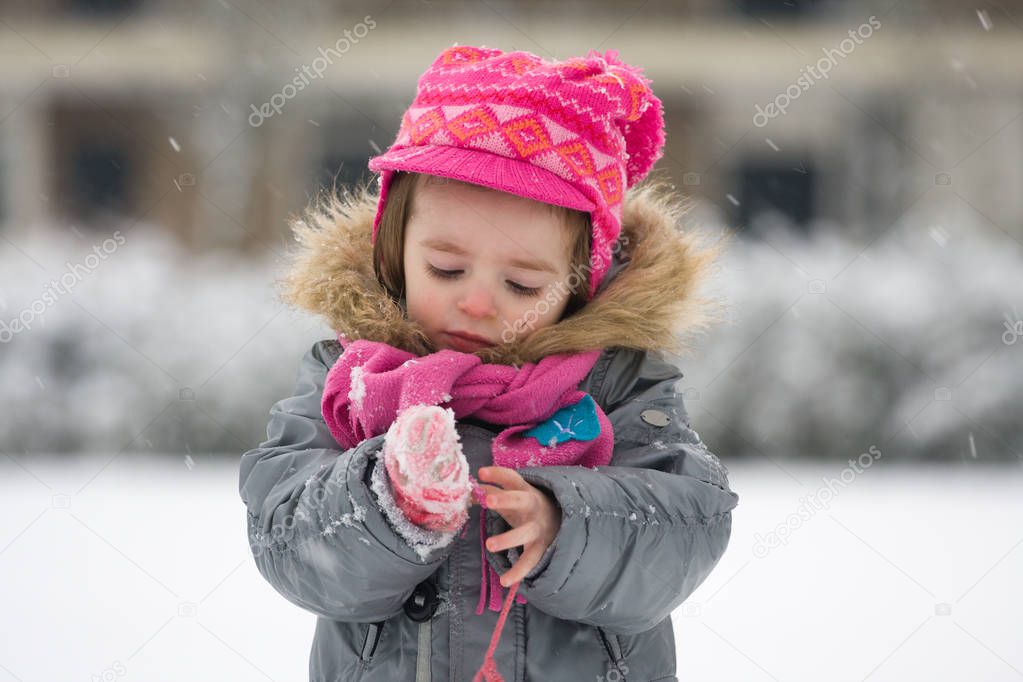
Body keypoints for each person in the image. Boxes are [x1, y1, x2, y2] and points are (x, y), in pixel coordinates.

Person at [239, 43, 739, 682]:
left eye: (523, 285)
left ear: (578, 284)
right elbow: (285, 538)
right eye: (446, 269)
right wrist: (386, 504)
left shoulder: (617, 382)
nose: (476, 303)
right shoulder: (353, 378)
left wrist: (569, 520)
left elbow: (688, 525)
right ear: (394, 249)